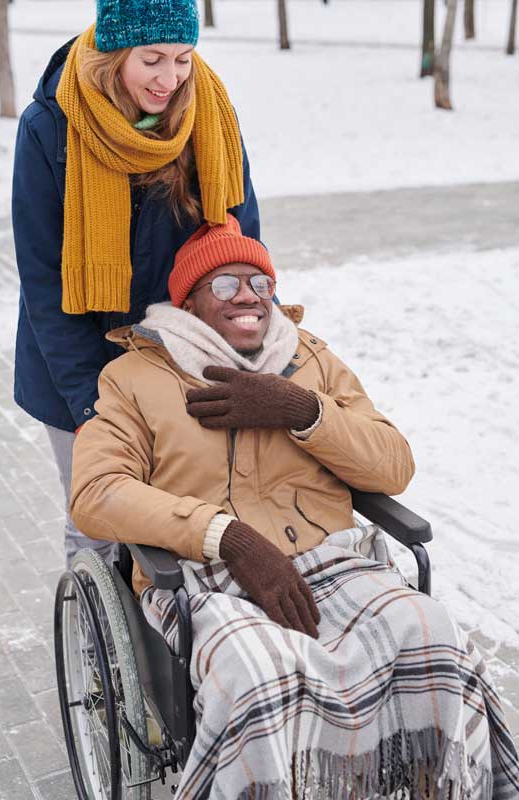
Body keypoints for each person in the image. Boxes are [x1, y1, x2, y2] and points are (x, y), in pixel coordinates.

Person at [70, 216, 519, 799]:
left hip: (332, 561)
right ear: (188, 300)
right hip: (206, 579)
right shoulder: (133, 378)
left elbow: (393, 466)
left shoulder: (308, 359)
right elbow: (96, 491)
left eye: (259, 282)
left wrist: (302, 409)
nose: (248, 297)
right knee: (256, 674)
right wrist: (225, 536)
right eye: (225, 284)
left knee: (431, 633)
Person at [11, 0, 259, 567]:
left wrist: (240, 348)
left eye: (182, 59)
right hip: (78, 357)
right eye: (152, 59)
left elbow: (243, 245)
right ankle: (95, 651)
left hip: (180, 357)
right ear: (115, 53)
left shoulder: (210, 115)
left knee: (182, 515)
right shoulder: (50, 126)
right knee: (99, 522)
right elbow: (45, 284)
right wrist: (90, 405)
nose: (170, 79)